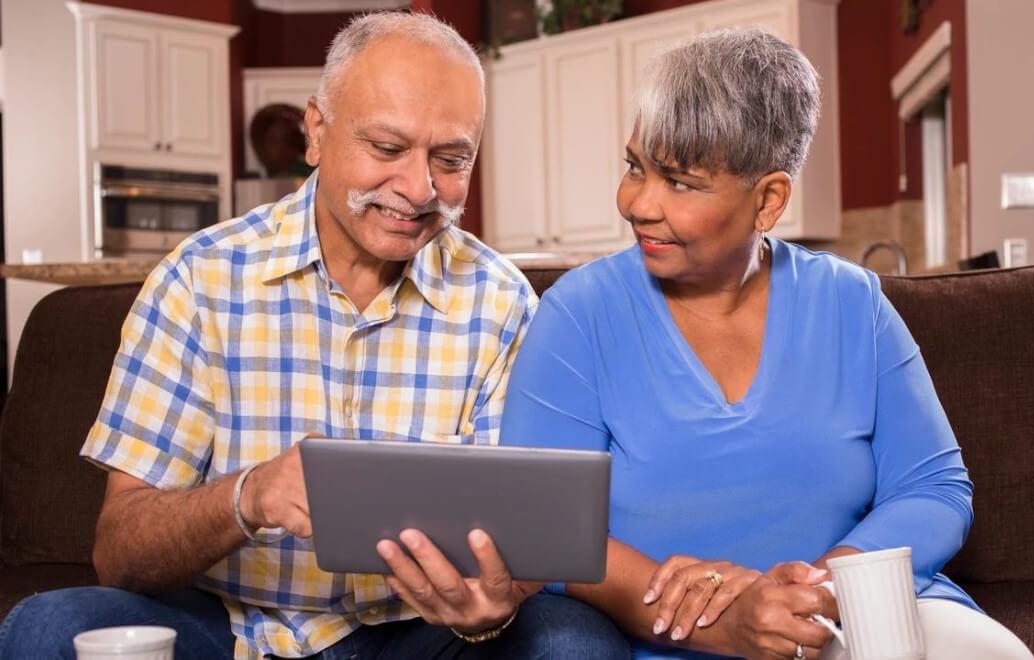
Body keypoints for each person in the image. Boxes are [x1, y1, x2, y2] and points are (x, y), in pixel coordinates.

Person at [0, 12, 628, 660]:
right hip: (227, 627)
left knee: (574, 644)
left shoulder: (502, 303)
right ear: (317, 133)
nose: (419, 190)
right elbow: (120, 550)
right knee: (45, 628)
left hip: (420, 635)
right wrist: (250, 495)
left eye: (451, 159)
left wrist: (489, 610)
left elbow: (516, 540)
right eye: (387, 149)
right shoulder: (199, 279)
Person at [498, 28, 1034, 660]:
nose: (638, 203)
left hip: (847, 622)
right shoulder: (578, 314)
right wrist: (724, 621)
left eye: (679, 182)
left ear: (769, 200)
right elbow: (544, 530)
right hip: (661, 640)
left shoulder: (852, 304)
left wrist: (816, 592)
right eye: (635, 167)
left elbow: (935, 488)